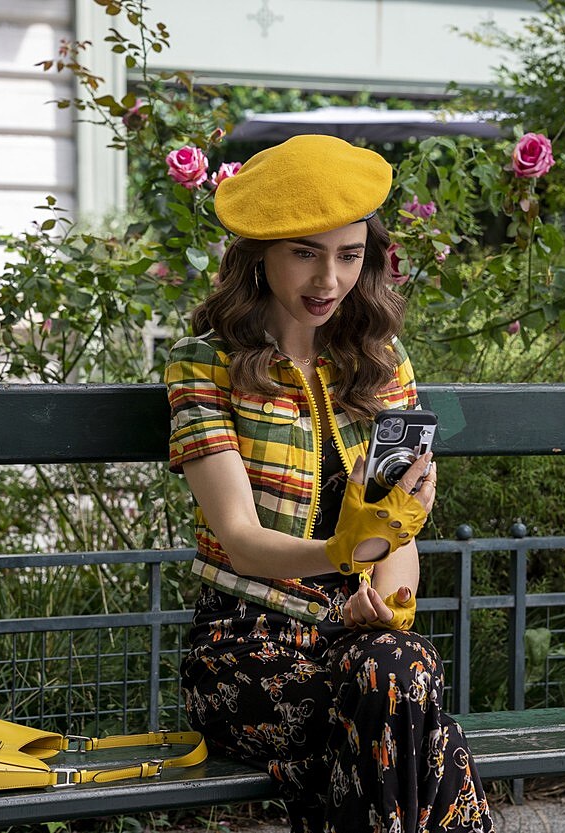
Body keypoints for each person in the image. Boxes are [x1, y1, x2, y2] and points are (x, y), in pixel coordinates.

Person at [166, 134, 492, 833]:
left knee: (396, 667)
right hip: (244, 644)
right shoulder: (205, 364)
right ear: (259, 254)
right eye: (305, 253)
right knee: (405, 706)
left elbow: (399, 533)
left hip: (358, 639)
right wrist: (343, 553)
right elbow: (241, 541)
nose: (328, 281)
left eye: (348, 255)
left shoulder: (380, 362)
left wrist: (391, 602)